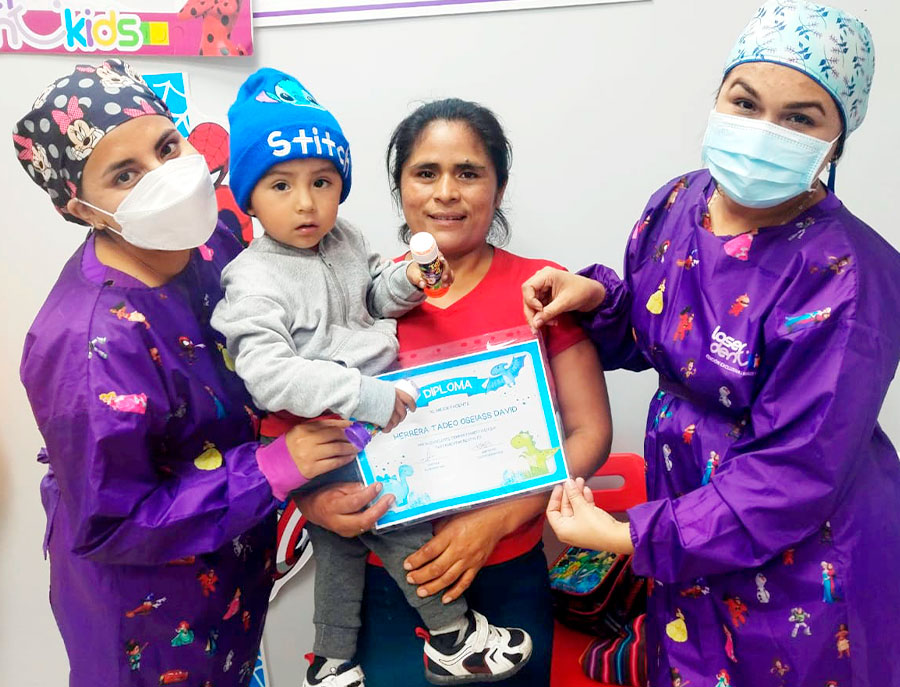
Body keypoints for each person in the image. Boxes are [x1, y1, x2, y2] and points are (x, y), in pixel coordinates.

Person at [526, 2, 900, 683]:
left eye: (799, 118)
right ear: (718, 97)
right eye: (745, 102)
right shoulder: (678, 203)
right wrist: (598, 301)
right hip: (687, 526)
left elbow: (793, 473)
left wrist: (630, 535)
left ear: (837, 141)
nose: (762, 132)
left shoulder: (849, 277)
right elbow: (665, 335)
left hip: (802, 563)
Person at [14, 58, 388, 687]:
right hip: (148, 620)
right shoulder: (86, 345)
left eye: (167, 147)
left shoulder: (212, 241)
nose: (165, 178)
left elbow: (268, 371)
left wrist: (304, 487)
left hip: (235, 573)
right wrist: (276, 468)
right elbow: (114, 523)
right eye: (125, 175)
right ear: (80, 208)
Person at [211, 69, 533, 687]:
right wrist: (365, 396)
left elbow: (371, 300)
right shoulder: (251, 277)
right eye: (280, 185)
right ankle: (454, 636)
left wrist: (406, 281)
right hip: (327, 429)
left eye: (322, 182)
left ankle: (331, 661)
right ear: (249, 198)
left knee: (341, 547)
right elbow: (268, 376)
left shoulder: (345, 239)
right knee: (397, 517)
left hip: (359, 426)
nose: (306, 203)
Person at [297, 98, 613, 686]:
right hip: (388, 580)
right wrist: (313, 505)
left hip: (510, 570)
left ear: (499, 186)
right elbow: (300, 434)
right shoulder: (357, 297)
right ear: (400, 189)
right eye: (426, 173)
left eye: (468, 172)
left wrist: (494, 522)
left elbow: (590, 432)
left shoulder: (543, 287)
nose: (446, 192)